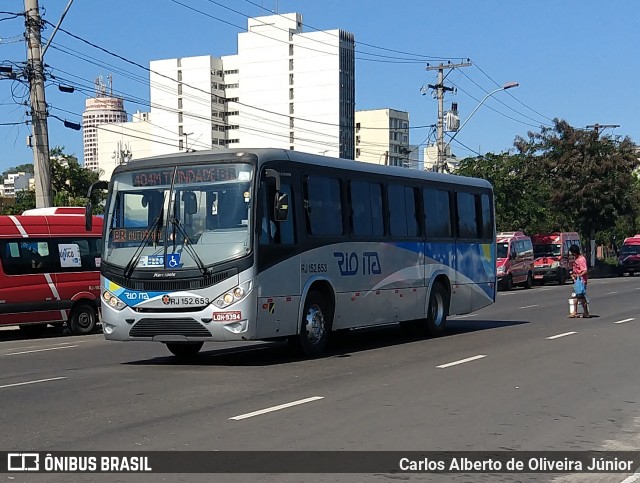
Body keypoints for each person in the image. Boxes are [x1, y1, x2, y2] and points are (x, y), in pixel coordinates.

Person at [567, 244, 589, 318]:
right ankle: (575, 312)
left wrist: (578, 275)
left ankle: (586, 312)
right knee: (575, 296)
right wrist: (573, 274)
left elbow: (585, 271)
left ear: (574, 252)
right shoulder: (576, 259)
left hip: (581, 282)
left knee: (581, 297)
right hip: (577, 281)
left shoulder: (581, 259)